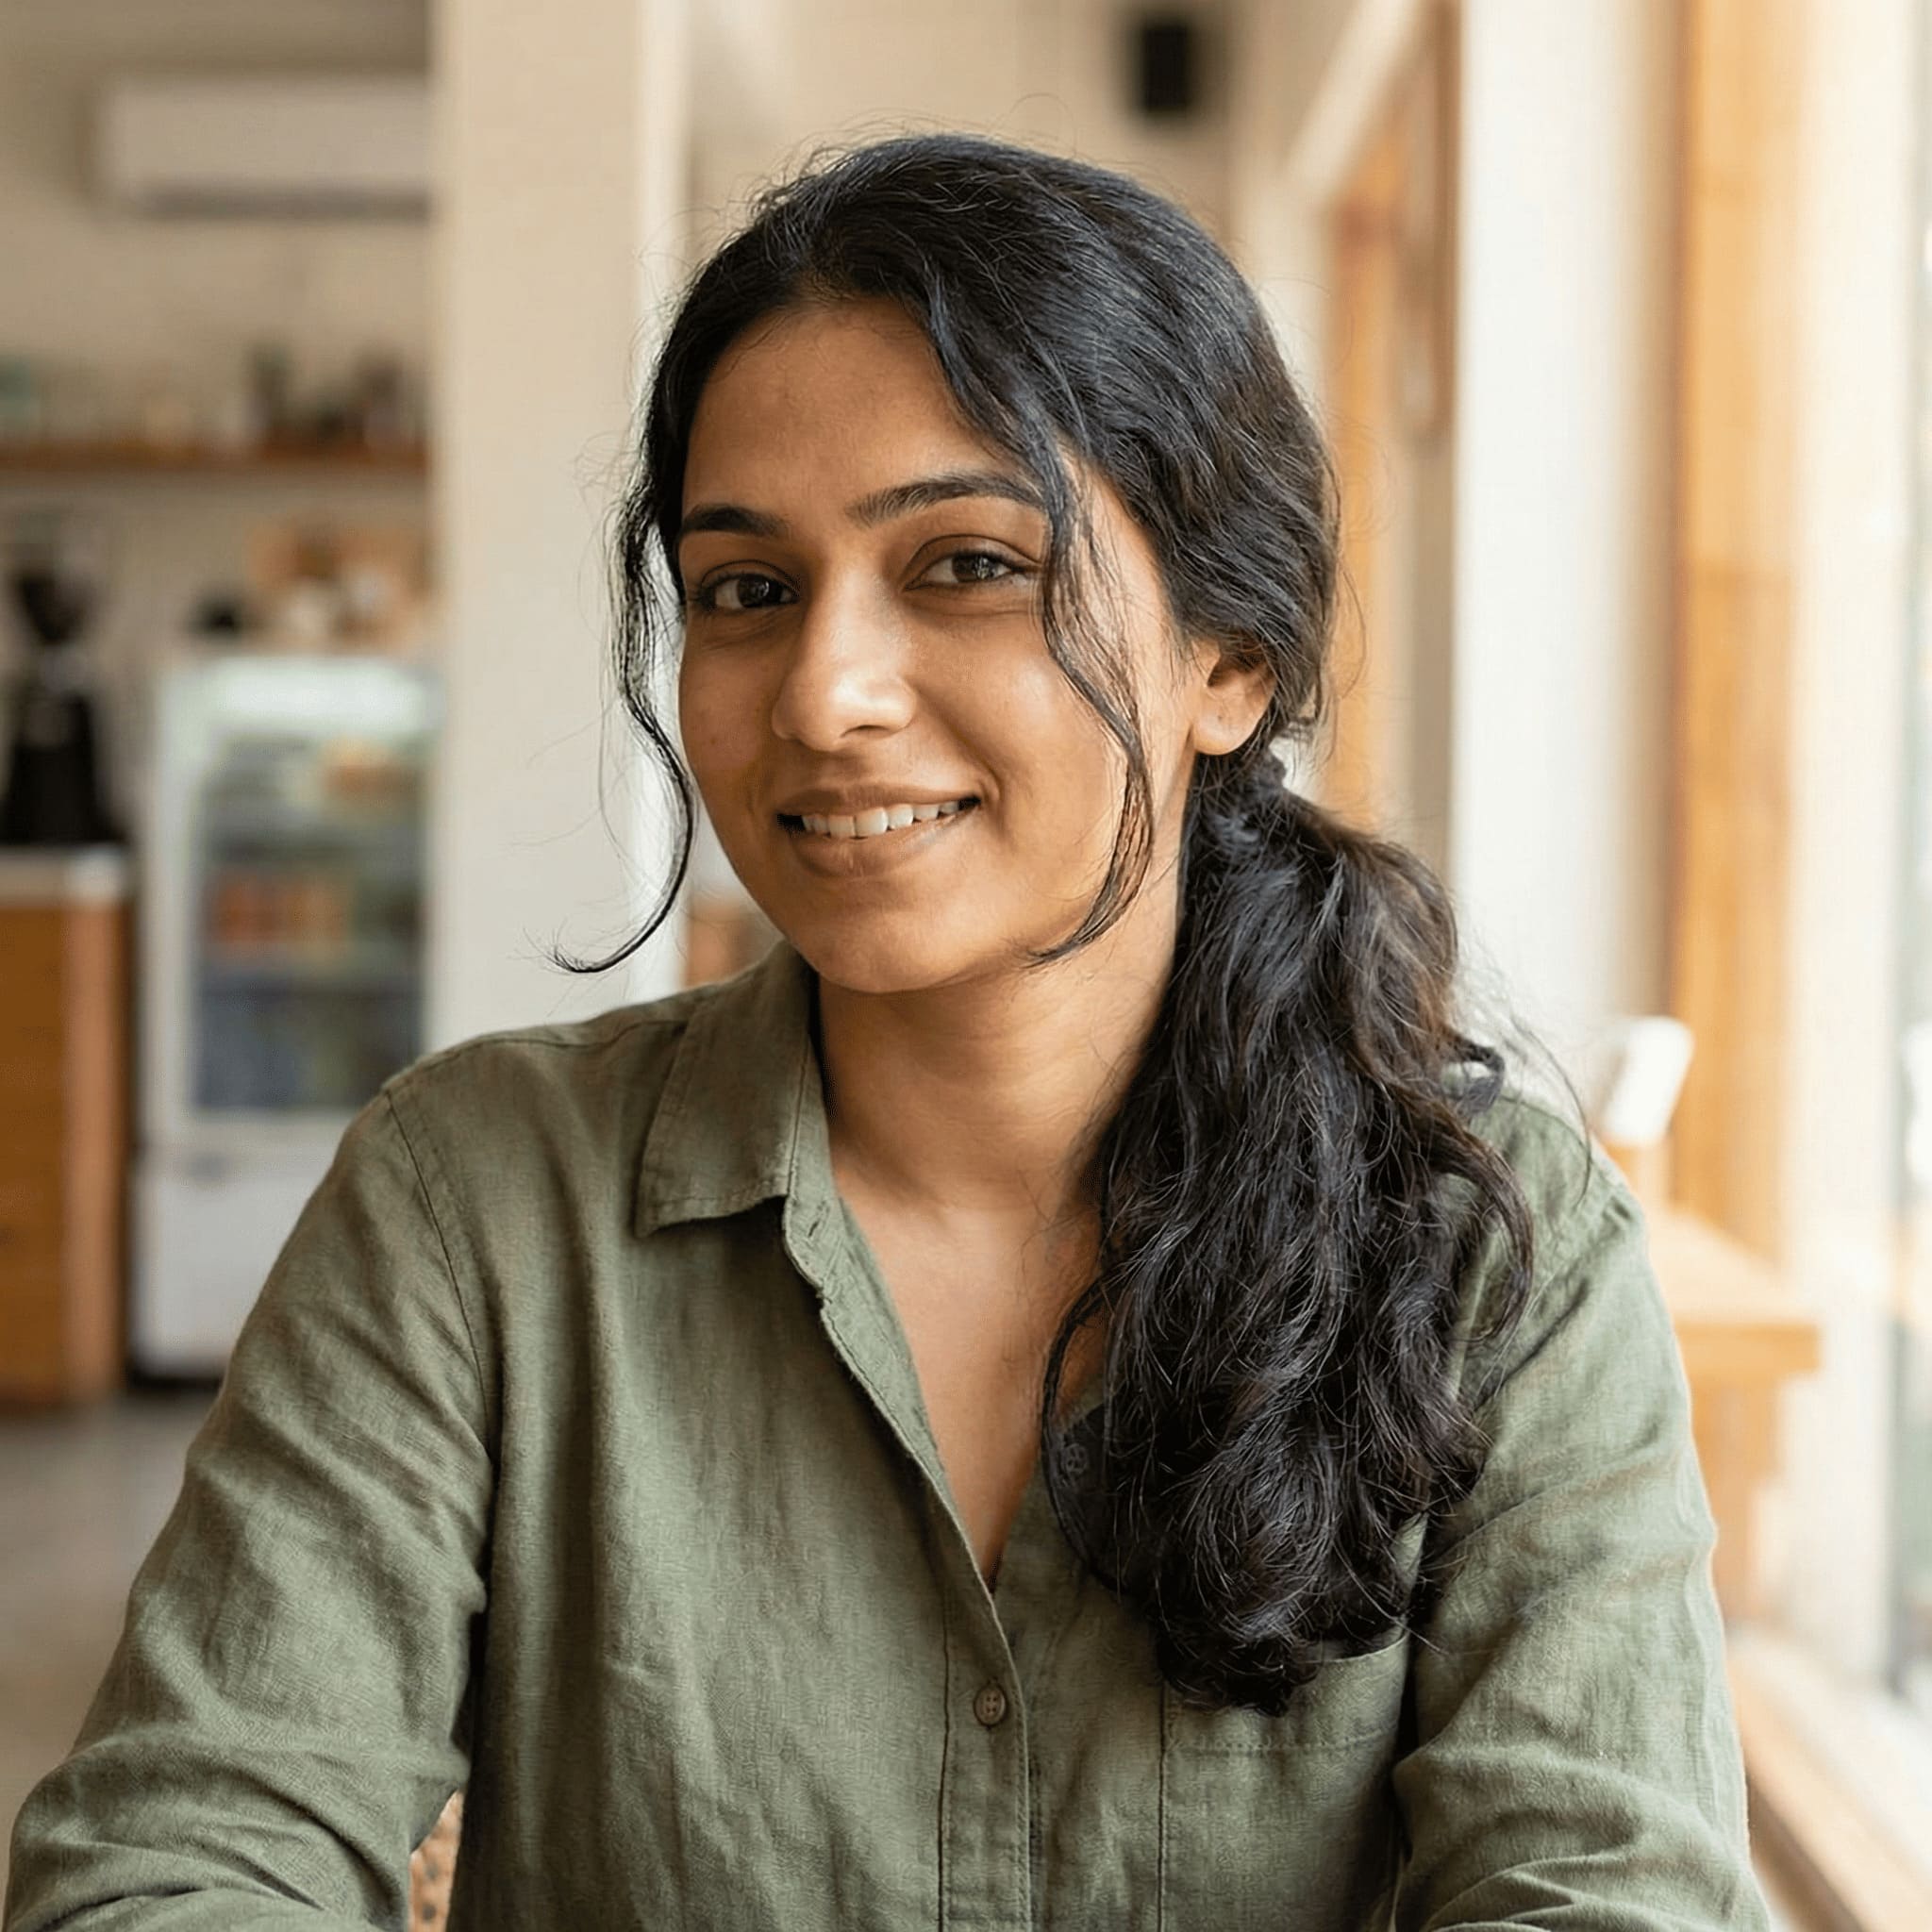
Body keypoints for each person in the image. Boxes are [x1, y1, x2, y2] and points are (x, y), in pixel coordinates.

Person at [5, 133, 1772, 1931]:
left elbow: (1605, 1893)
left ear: (1227, 658)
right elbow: (172, 1863)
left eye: (968, 565)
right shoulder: (476, 1205)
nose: (827, 694)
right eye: (748, 590)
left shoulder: (1493, 1257)